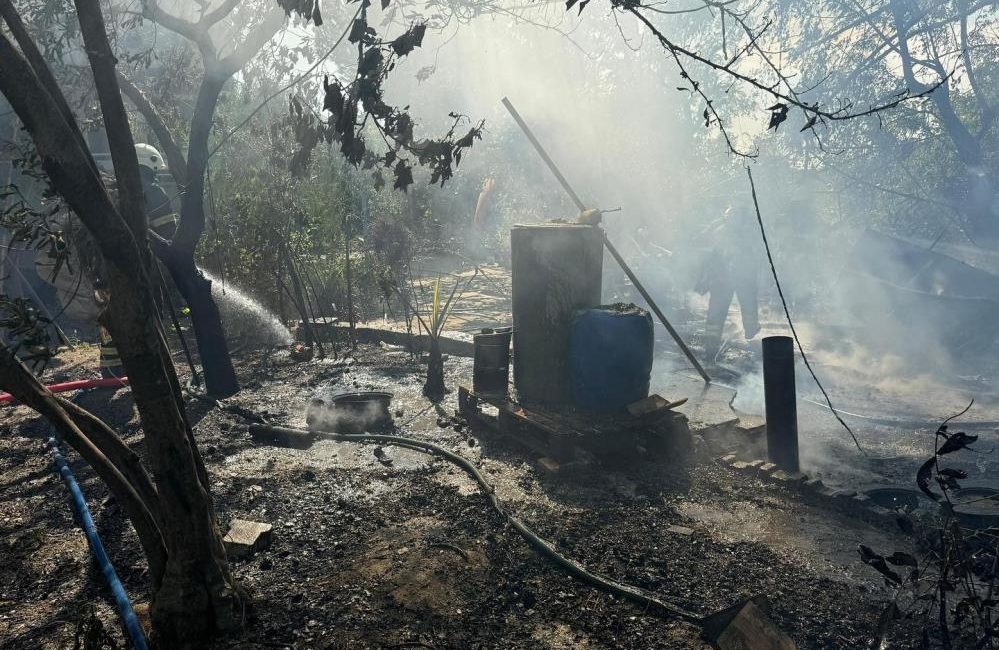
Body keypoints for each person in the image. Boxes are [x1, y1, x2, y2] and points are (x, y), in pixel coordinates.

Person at [99, 144, 178, 378]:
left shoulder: (110, 191)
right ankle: (155, 369)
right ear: (151, 164)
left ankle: (112, 370)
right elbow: (167, 233)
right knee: (150, 314)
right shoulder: (153, 192)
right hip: (144, 268)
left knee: (113, 315)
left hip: (107, 269)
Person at [697, 205, 762, 363]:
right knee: (722, 313)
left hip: (733, 278)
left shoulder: (726, 230)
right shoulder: (724, 231)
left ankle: (712, 347)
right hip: (727, 279)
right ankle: (713, 347)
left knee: (737, 309)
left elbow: (755, 254)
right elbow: (712, 255)